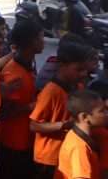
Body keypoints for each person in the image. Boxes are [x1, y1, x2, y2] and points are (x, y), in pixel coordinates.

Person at [30, 43, 93, 179]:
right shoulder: (51, 91)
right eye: (78, 69)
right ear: (62, 66)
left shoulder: (77, 86)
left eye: (85, 70)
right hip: (48, 158)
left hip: (65, 153)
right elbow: (34, 125)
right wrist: (63, 125)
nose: (83, 74)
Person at [0, 20, 45, 179]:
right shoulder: (13, 74)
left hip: (25, 139)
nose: (43, 41)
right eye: (40, 38)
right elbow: (3, 113)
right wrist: (31, 106)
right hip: (13, 142)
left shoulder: (27, 64)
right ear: (31, 42)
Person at [55, 90, 106, 179]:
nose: (106, 113)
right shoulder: (79, 147)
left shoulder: (96, 131)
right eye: (102, 111)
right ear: (84, 117)